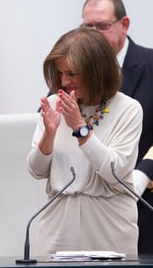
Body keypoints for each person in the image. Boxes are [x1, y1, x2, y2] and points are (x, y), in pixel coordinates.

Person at [28, 27, 142, 255]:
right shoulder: (54, 105)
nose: (64, 81)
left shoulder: (128, 109)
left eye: (71, 73)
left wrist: (81, 129)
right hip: (59, 226)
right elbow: (36, 171)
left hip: (108, 224)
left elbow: (115, 170)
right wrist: (48, 136)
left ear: (96, 71)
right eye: (60, 73)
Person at [82, 0, 153, 254]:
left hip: (143, 202)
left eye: (101, 26)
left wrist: (144, 172)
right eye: (87, 27)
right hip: (88, 207)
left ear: (124, 25)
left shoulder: (151, 63)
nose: (93, 34)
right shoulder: (74, 70)